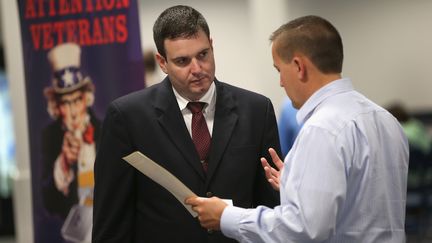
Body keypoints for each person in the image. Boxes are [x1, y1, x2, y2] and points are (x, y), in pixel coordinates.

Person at [186, 15, 409, 242]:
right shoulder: (386, 120)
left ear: (299, 67)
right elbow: (362, 204)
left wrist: (226, 216)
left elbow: (302, 230)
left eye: (279, 70)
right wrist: (299, 188)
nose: (281, 82)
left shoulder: (322, 129)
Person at [92, 5, 281, 243]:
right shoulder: (128, 117)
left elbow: (271, 207)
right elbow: (112, 219)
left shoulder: (256, 110)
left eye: (203, 55)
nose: (197, 69)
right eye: (182, 61)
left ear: (212, 46)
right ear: (162, 62)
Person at [41, 43, 100, 222]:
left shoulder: (107, 129)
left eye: (76, 101)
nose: (73, 112)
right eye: (66, 103)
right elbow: (47, 203)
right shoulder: (50, 136)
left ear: (86, 98)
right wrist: (64, 163)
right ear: (57, 107)